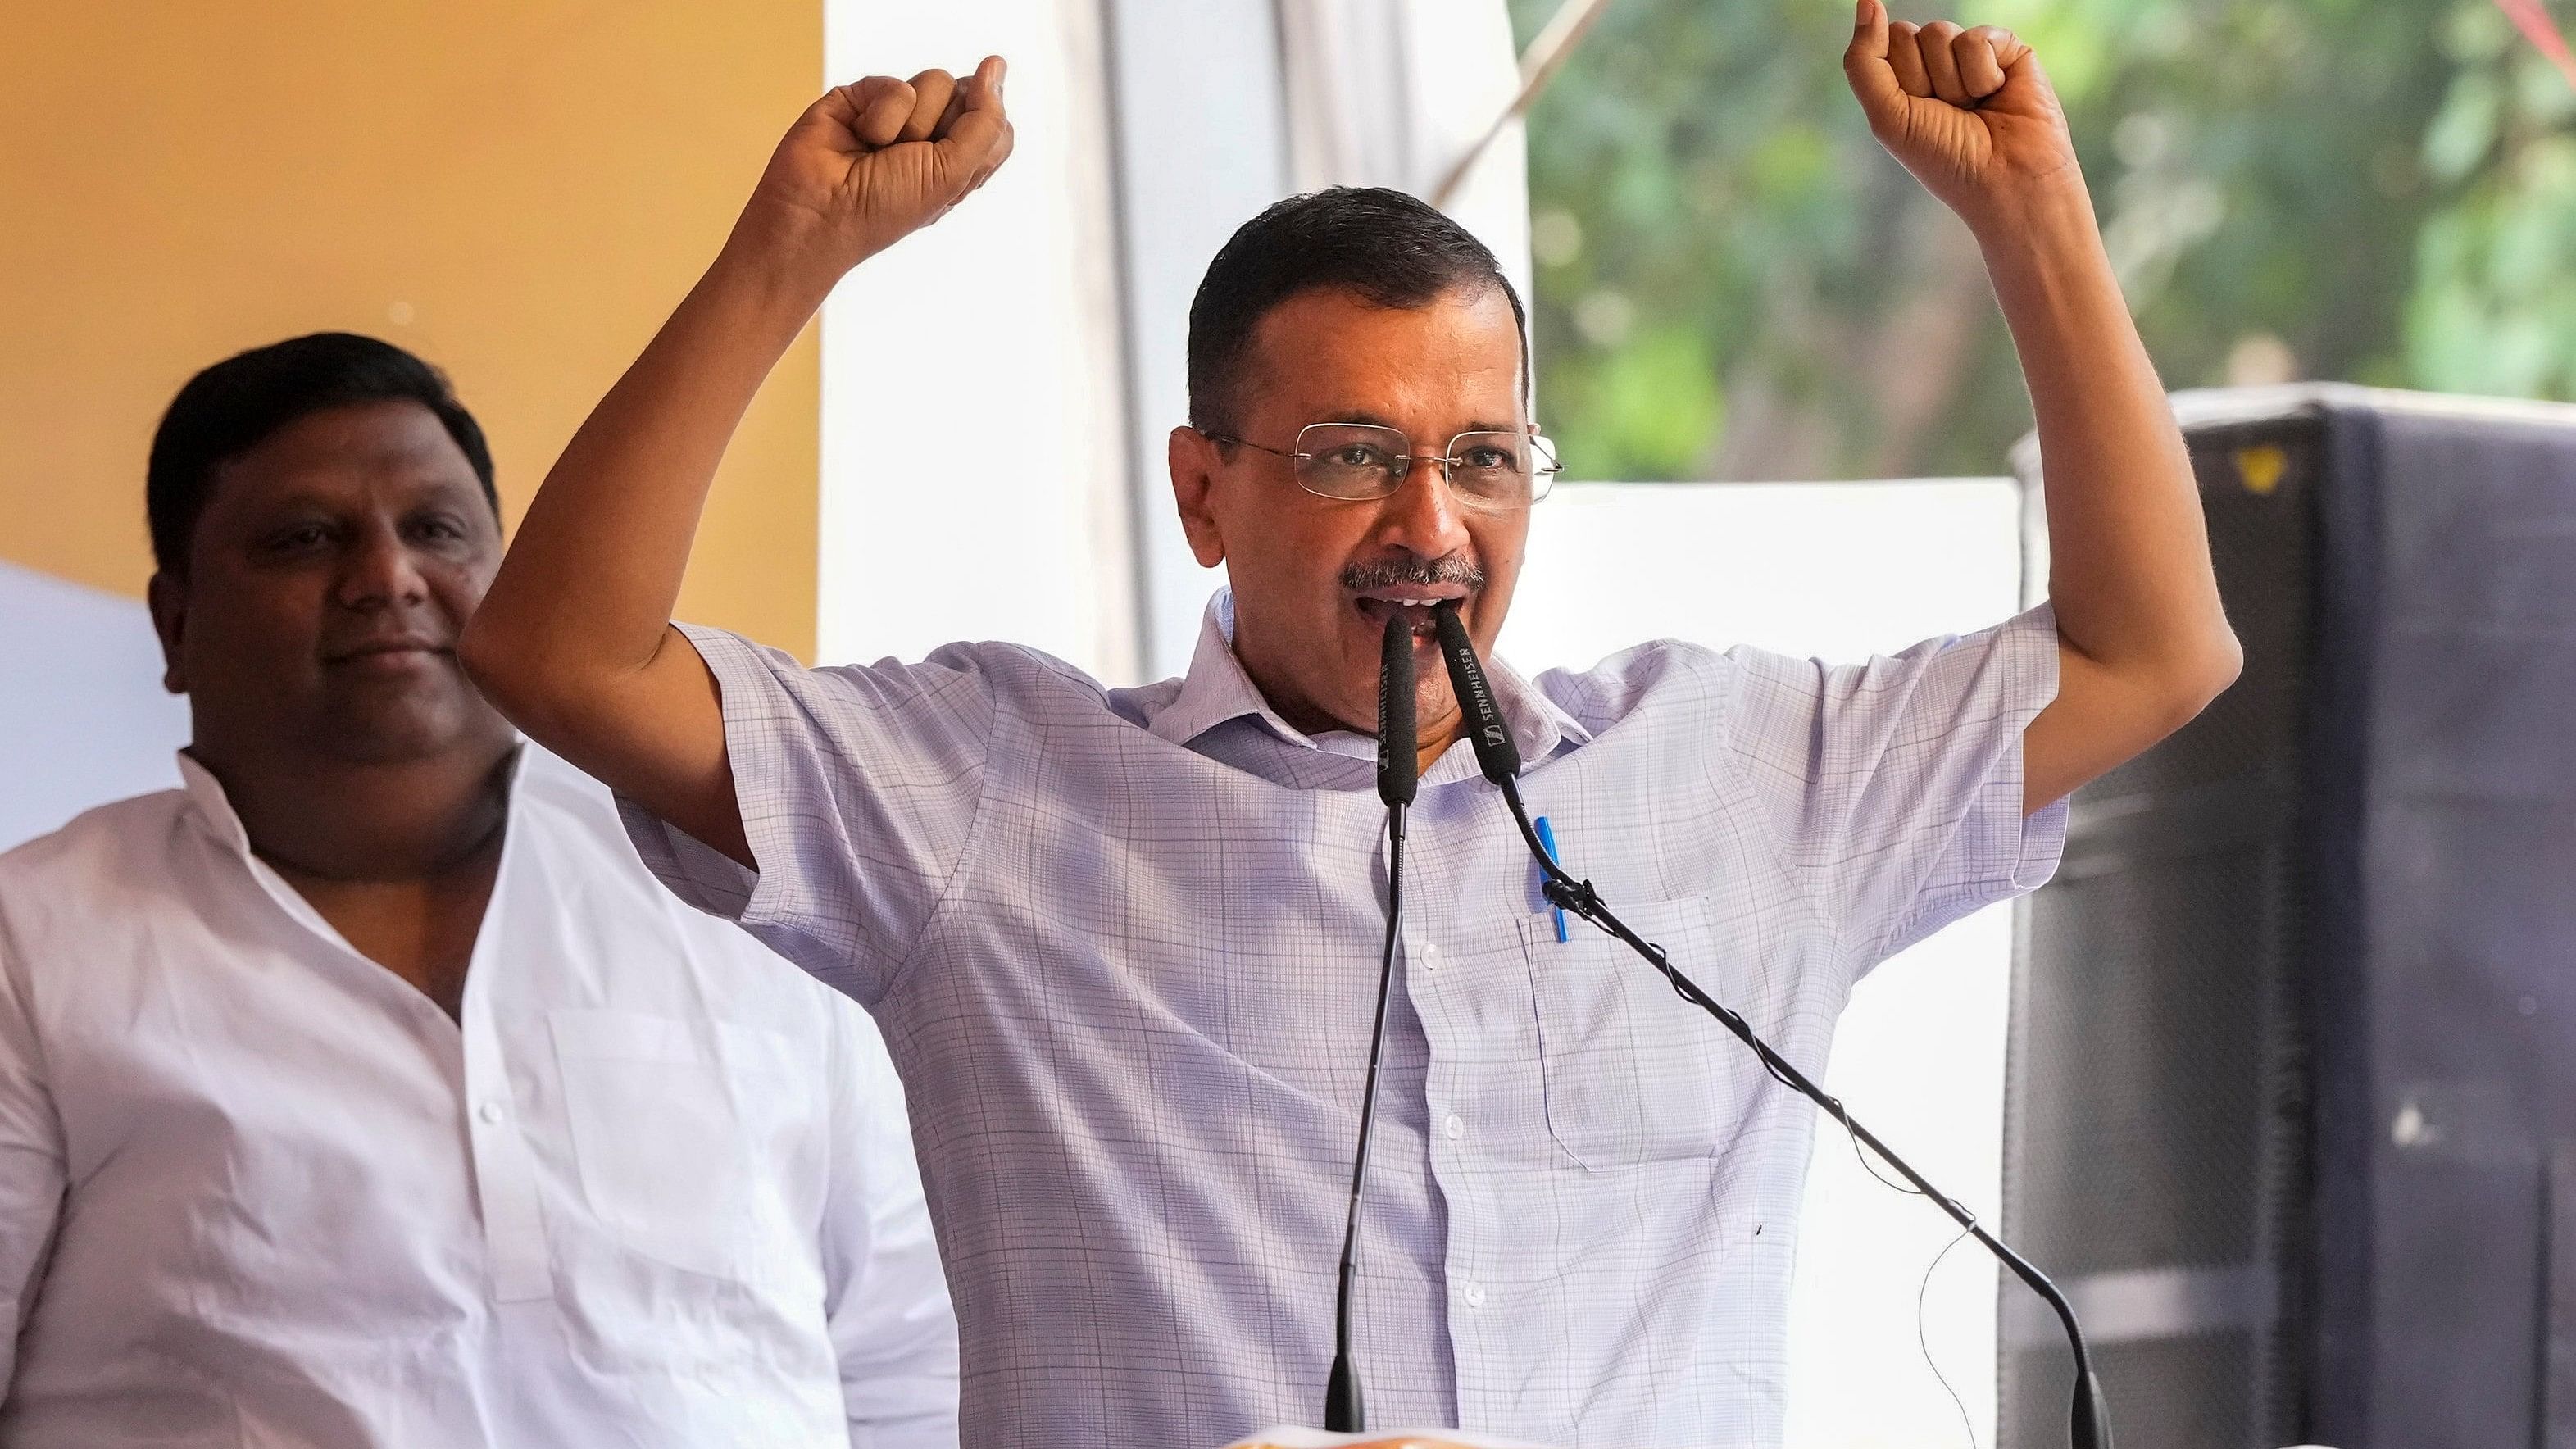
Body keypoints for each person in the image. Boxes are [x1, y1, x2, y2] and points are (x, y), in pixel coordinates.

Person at [459, 4, 2242, 1444]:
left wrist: (2035, 219)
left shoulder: (1746, 775)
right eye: (1347, 457)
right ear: (1202, 492)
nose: (1430, 525)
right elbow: (562, 655)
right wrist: (790, 251)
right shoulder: (991, 791)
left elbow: (2156, 651)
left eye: (1480, 458)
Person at [0, 334, 958, 1448]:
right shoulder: (35, 944)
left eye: (436, 532)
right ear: (176, 626)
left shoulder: (740, 894)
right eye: (306, 539)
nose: (387, 577)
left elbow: (915, 1371)